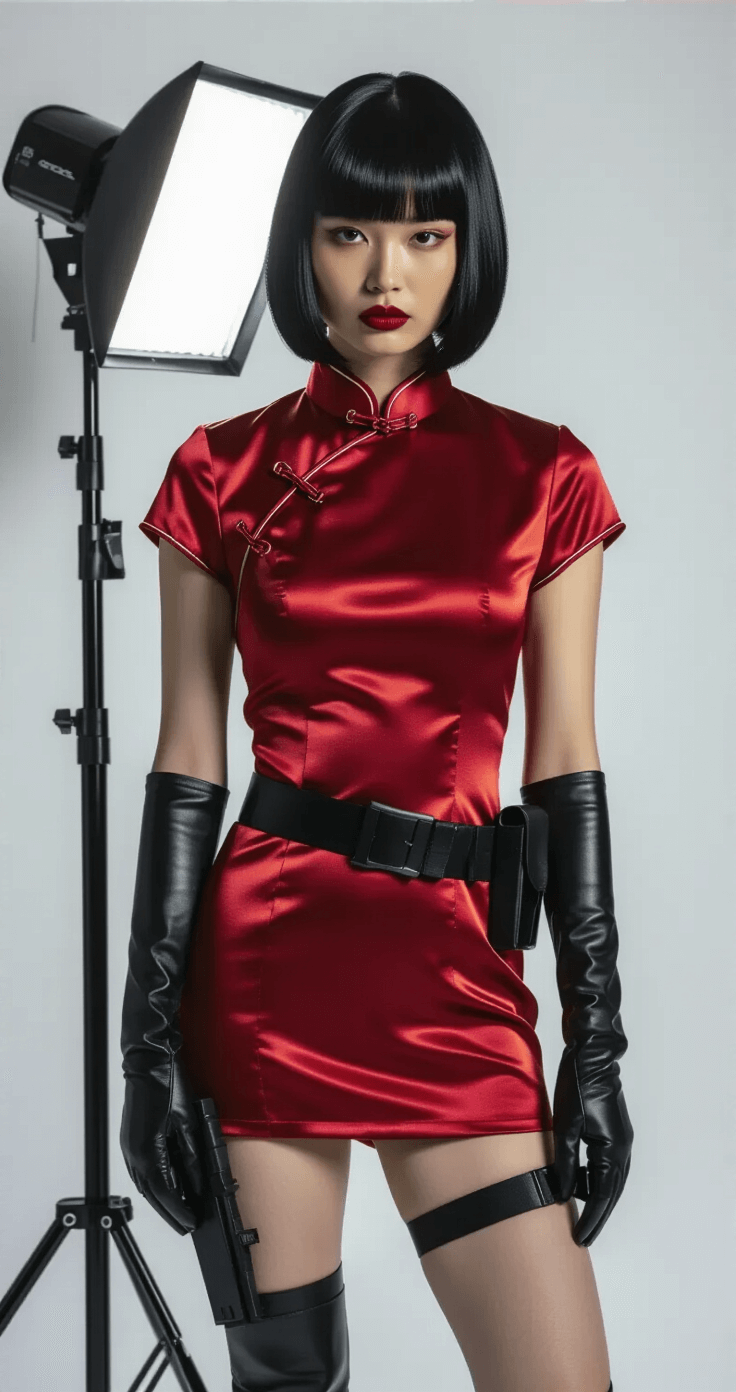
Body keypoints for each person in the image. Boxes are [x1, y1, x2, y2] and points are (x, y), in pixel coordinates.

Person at [119, 71, 633, 1392]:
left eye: (425, 234)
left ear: (470, 247)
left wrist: (597, 1045)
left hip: (456, 978)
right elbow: (189, 757)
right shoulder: (221, 470)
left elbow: (564, 761)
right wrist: (148, 1047)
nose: (386, 271)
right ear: (303, 247)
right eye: (350, 232)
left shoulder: (545, 474)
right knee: (288, 1384)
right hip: (272, 970)